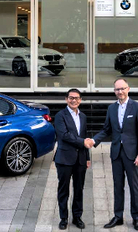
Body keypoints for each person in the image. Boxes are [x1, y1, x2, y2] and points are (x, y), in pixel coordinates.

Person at [86, 79, 138, 231]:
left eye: (122, 89)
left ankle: (136, 217)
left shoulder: (137, 108)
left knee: (134, 187)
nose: (119, 92)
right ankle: (118, 216)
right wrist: (94, 140)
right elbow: (106, 130)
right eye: (117, 89)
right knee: (117, 186)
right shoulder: (111, 109)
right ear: (114, 91)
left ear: (128, 89)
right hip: (116, 154)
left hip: (132, 155)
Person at [53, 88, 91, 230]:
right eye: (71, 98)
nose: (73, 100)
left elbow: (85, 135)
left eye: (76, 98)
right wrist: (82, 143)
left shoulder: (83, 117)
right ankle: (63, 218)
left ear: (80, 100)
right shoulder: (60, 116)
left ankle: (77, 217)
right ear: (66, 99)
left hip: (80, 159)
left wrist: (87, 157)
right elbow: (64, 135)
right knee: (63, 190)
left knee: (79, 189)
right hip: (64, 159)